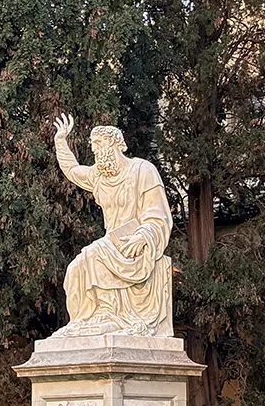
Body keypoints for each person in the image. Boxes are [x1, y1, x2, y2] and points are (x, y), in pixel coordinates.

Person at [53, 115, 175, 337]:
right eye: (93, 145)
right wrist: (61, 141)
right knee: (75, 270)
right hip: (111, 244)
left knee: (93, 255)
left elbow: (158, 214)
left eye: (98, 143)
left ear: (114, 143)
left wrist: (144, 235)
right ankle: (98, 315)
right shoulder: (98, 176)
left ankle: (109, 313)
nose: (94, 150)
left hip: (135, 245)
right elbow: (72, 170)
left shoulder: (143, 170)